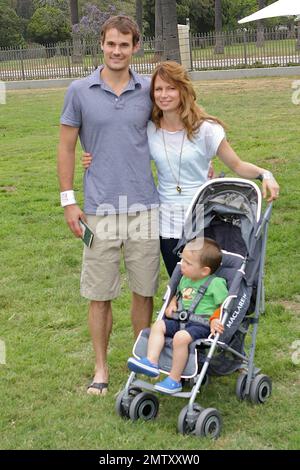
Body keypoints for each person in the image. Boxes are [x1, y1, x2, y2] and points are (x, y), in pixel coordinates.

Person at [82, 61, 280, 277]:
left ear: (182, 90)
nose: (164, 95)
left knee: (207, 288)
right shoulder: (149, 131)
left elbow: (238, 165)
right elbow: (122, 155)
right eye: (158, 89)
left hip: (203, 222)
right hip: (167, 225)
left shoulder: (206, 130)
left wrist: (265, 174)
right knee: (180, 288)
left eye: (171, 88)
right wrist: (92, 158)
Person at [57, 15, 161, 396]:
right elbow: (67, 146)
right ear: (101, 44)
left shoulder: (150, 89)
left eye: (125, 44)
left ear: (136, 47)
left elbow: (176, 126)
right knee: (99, 294)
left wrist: (207, 158)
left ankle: (142, 363)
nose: (117, 51)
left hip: (145, 208)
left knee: (143, 290)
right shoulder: (79, 90)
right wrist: (69, 201)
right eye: (111, 44)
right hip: (98, 210)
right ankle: (101, 369)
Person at [127, 238, 229, 394]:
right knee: (158, 325)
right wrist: (172, 303)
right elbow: (178, 295)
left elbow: (224, 305)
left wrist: (215, 319)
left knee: (180, 338)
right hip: (179, 319)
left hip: (201, 325)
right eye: (182, 259)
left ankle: (174, 380)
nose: (182, 264)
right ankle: (151, 362)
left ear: (204, 271)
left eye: (188, 263)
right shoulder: (185, 279)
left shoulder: (216, 283)